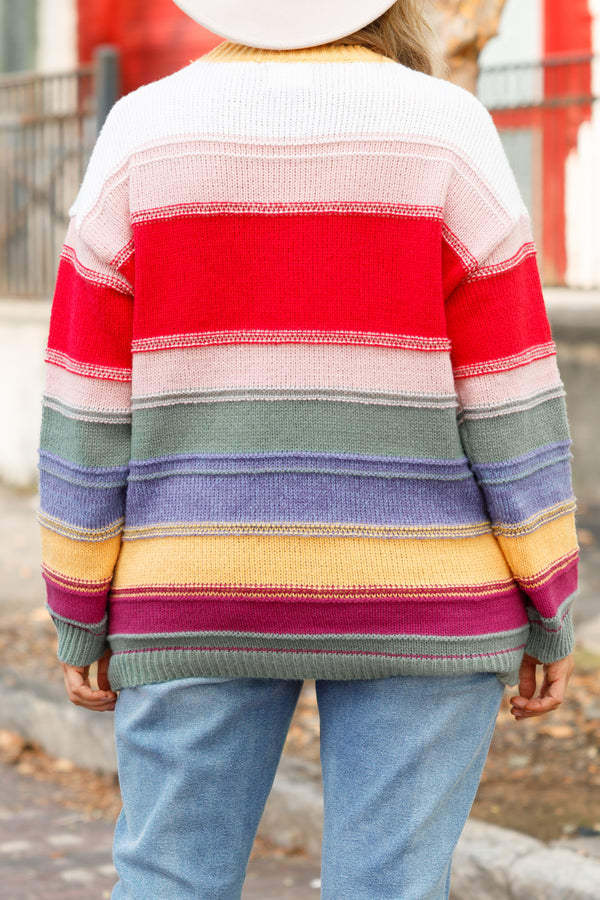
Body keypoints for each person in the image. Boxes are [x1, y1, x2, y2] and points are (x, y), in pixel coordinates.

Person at [38, 0, 578, 896]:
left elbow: (87, 396)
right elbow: (510, 393)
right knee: (391, 885)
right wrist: (550, 594)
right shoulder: (448, 130)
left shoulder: (142, 132)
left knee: (170, 879)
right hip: (424, 596)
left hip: (196, 590)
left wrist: (78, 600)